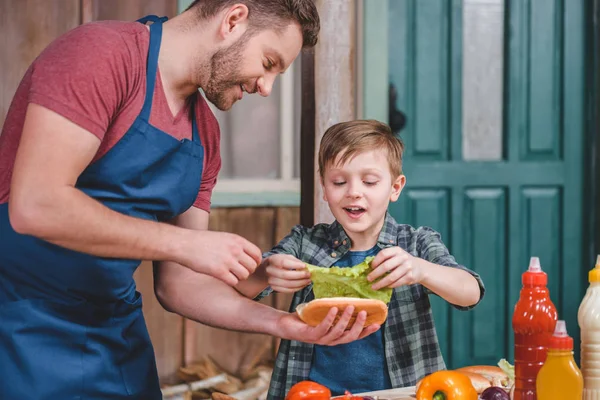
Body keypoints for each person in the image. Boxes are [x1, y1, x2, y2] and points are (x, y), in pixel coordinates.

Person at [0, 1, 375, 399]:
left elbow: (180, 284)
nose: (265, 88)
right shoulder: (102, 55)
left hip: (114, 334)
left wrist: (282, 323)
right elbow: (37, 205)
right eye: (268, 63)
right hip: (19, 322)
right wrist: (186, 244)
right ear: (233, 20)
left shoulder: (205, 136)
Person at [236, 120, 486, 398]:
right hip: (314, 393)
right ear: (324, 186)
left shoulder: (416, 244)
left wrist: (420, 269)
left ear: (395, 187)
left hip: (402, 393)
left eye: (369, 181)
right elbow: (243, 288)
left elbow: (470, 292)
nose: (354, 191)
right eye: (339, 181)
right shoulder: (302, 243)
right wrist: (266, 272)